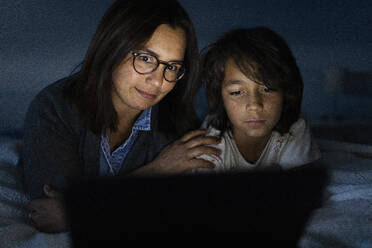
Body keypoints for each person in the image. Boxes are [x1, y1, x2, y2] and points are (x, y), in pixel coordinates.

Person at [23, 0, 221, 233]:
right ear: (112, 48)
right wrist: (157, 170)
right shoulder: (54, 108)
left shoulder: (174, 122)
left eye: (172, 67)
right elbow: (49, 212)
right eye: (146, 58)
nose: (158, 81)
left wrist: (84, 207)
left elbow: (175, 208)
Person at [195, 27, 321, 173]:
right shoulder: (213, 143)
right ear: (220, 98)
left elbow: (299, 185)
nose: (254, 105)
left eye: (267, 89)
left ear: (286, 92)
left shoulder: (294, 129)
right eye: (237, 92)